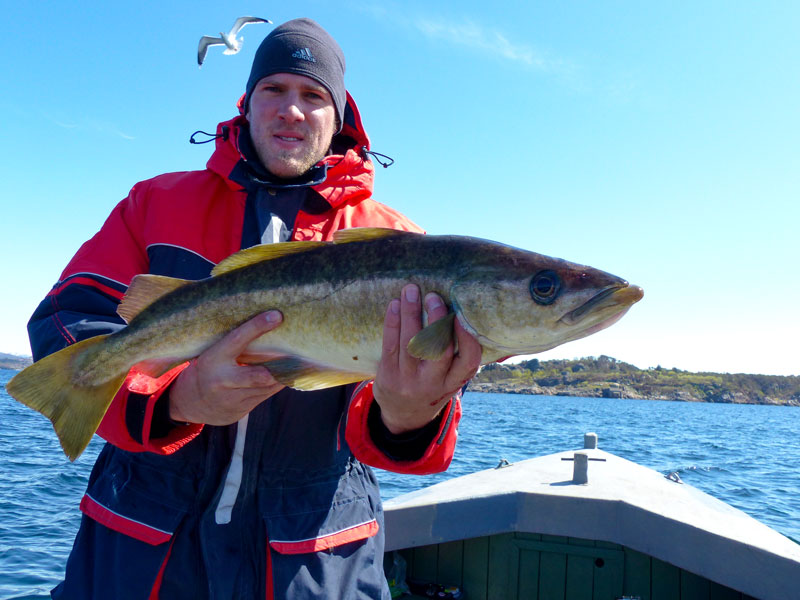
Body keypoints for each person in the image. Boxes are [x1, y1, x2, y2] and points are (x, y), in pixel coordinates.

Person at [27, 18, 481, 600]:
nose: (292, 109)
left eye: (313, 96)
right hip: (137, 550)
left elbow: (403, 436)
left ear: (338, 117)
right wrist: (176, 400)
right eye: (275, 90)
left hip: (314, 562)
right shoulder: (154, 203)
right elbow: (68, 320)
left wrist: (410, 412)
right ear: (247, 103)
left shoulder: (403, 246)